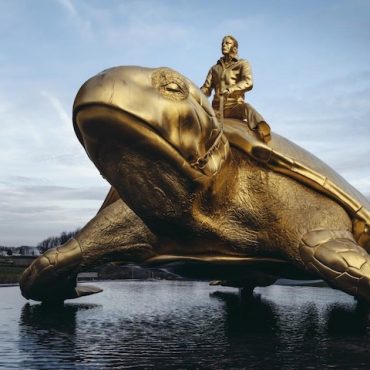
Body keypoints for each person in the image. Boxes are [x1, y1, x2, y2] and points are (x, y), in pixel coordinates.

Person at [201, 35, 271, 143]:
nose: (223, 45)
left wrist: (231, 89)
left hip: (234, 107)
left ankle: (263, 130)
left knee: (247, 108)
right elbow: (206, 89)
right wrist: (195, 93)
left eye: (227, 43)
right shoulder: (214, 69)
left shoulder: (242, 63)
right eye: (222, 43)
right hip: (216, 110)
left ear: (234, 48)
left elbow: (248, 82)